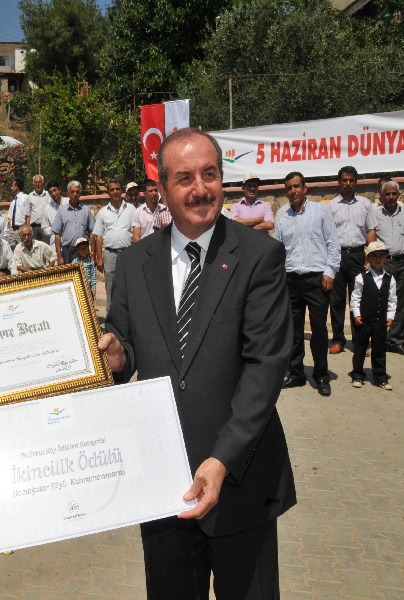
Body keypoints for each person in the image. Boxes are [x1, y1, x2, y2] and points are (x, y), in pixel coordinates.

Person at [98, 128, 295, 598]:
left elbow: (265, 367)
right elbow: (123, 343)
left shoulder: (259, 256)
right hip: (163, 487)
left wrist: (221, 459)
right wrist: (115, 355)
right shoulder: (133, 263)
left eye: (209, 174)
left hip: (240, 485)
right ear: (162, 189)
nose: (200, 189)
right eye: (184, 178)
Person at [274, 172, 340, 396]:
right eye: (289, 188)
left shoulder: (321, 212)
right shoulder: (283, 218)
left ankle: (321, 375)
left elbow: (333, 244)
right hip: (291, 280)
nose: (293, 191)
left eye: (296, 187)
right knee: (293, 330)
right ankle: (296, 373)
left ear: (305, 188)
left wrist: (330, 271)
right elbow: (278, 252)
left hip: (317, 279)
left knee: (320, 329)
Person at [325, 166, 378, 354]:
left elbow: (371, 229)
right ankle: (338, 339)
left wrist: (370, 255)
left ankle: (360, 341)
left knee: (359, 299)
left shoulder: (365, 204)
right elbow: (327, 235)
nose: (348, 183)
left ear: (356, 182)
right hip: (337, 255)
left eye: (351, 180)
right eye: (344, 180)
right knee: (337, 300)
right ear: (339, 182)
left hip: (358, 255)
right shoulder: (331, 206)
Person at [373, 181, 404, 354]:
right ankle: (381, 338)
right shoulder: (375, 215)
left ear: (398, 195)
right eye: (387, 194)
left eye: (394, 194)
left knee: (401, 301)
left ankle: (396, 340)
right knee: (381, 299)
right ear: (381, 196)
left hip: (402, 262)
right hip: (383, 262)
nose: (391, 197)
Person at [349, 241, 397, 390]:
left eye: (381, 256)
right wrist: (356, 314)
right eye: (374, 256)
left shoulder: (390, 278)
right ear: (368, 258)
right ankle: (357, 374)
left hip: (380, 321)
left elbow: (392, 299)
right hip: (364, 320)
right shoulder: (361, 277)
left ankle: (380, 377)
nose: (378, 259)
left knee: (379, 349)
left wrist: (390, 316)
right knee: (360, 348)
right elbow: (355, 297)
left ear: (385, 258)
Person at [93, 179, 134, 311]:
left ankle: (128, 321)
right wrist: (99, 258)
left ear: (121, 191)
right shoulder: (103, 212)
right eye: (112, 189)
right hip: (110, 254)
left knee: (129, 286)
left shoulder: (131, 209)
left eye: (117, 189)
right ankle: (111, 322)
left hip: (128, 253)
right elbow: (98, 236)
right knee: (110, 288)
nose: (115, 192)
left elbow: (136, 231)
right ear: (108, 192)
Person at [52, 181, 96, 266]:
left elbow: (92, 233)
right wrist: (59, 256)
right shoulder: (61, 211)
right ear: (68, 194)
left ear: (80, 194)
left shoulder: (86, 210)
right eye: (72, 192)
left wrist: (93, 255)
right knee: (68, 278)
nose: (75, 194)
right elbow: (57, 235)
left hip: (83, 250)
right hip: (67, 251)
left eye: (77, 192)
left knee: (84, 277)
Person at [27, 174, 51, 241]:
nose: (38, 184)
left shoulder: (48, 195)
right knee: (34, 248)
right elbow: (27, 215)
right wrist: (28, 229)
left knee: (46, 248)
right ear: (33, 184)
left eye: (39, 182)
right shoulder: (30, 196)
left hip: (45, 227)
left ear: (43, 183)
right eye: (36, 182)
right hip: (34, 228)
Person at [7, 178, 29, 247]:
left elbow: (28, 214)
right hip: (13, 231)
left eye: (12, 186)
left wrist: (25, 227)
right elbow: (10, 217)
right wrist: (10, 229)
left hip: (21, 229)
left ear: (16, 187)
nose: (11, 188)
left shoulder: (25, 198)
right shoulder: (13, 202)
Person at [40, 182, 64, 248]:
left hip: (70, 243)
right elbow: (44, 228)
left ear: (59, 189)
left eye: (55, 190)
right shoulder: (47, 209)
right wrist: (55, 230)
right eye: (50, 192)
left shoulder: (68, 203)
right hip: (55, 245)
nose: (53, 193)